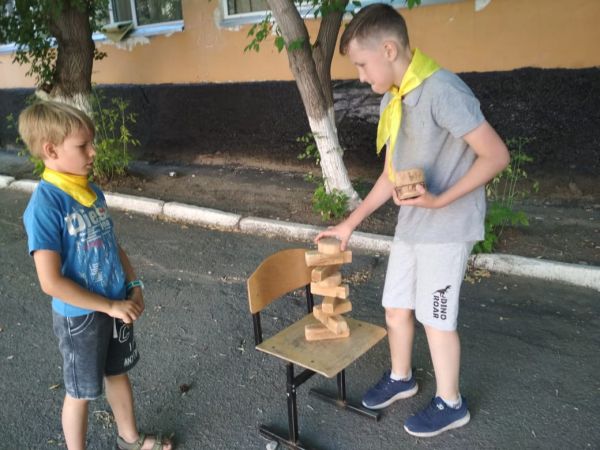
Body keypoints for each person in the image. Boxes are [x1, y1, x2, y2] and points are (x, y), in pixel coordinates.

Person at [315, 3, 510, 438]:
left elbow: (496, 156)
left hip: (448, 228)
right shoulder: (394, 97)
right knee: (396, 308)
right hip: (413, 226)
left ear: (388, 50)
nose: (360, 76)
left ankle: (451, 403)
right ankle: (401, 377)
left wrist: (440, 201)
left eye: (362, 65)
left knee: (436, 320)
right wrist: (349, 224)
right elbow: (391, 174)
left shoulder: (442, 91)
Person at [19, 101, 172, 450]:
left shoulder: (90, 192)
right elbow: (50, 282)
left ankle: (130, 440)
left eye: (92, 142)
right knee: (80, 392)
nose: (93, 151)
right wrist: (109, 306)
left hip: (114, 305)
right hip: (81, 319)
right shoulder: (45, 205)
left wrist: (133, 286)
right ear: (51, 150)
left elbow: (112, 244)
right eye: (83, 145)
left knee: (117, 372)